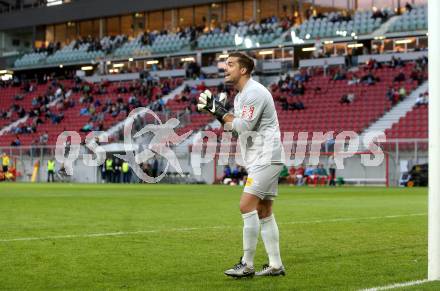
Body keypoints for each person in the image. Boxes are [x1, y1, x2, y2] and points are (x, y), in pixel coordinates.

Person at [197, 52, 285, 277]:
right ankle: (275, 264)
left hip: (265, 156)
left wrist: (217, 110)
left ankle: (247, 264)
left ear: (243, 70)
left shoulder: (253, 92)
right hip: (262, 156)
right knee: (264, 210)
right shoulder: (241, 95)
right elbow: (234, 129)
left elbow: (243, 127)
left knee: (246, 206)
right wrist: (218, 112)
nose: (225, 68)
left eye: (230, 64)